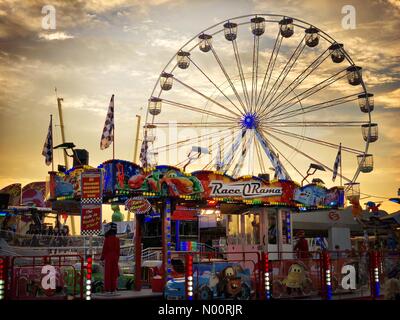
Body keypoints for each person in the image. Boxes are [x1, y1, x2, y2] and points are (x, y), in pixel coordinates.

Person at [101, 223, 120, 294]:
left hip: (108, 257)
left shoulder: (107, 239)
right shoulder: (117, 239)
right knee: (114, 274)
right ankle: (113, 289)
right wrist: (117, 259)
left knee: (107, 274)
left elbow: (104, 249)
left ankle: (107, 289)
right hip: (115, 257)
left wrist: (102, 258)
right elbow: (118, 250)